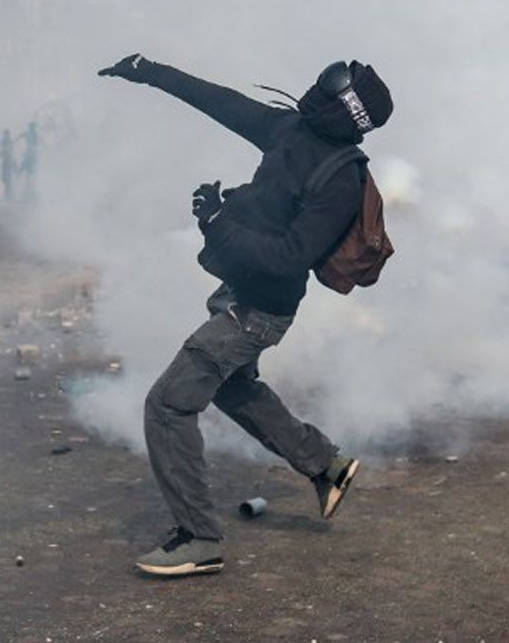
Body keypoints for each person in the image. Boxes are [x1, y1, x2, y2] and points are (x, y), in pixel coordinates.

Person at [98, 54, 394, 577]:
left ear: (346, 110)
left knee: (168, 404)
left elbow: (289, 257)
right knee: (234, 389)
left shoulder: (340, 180)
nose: (314, 92)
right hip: (240, 291)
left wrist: (217, 223)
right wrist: (148, 70)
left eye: (329, 89)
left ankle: (200, 539)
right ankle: (325, 465)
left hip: (260, 310)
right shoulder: (289, 130)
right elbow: (219, 101)